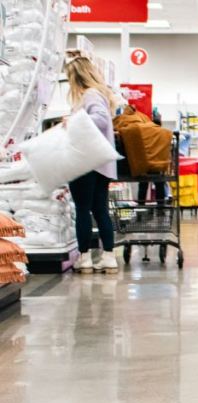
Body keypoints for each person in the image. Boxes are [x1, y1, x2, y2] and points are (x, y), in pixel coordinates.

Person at [65, 56, 120, 275]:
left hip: (86, 162)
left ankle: (85, 258)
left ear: (76, 76)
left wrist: (72, 122)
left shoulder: (89, 95)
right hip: (101, 164)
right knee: (100, 210)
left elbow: (100, 119)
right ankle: (108, 258)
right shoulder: (99, 94)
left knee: (83, 210)